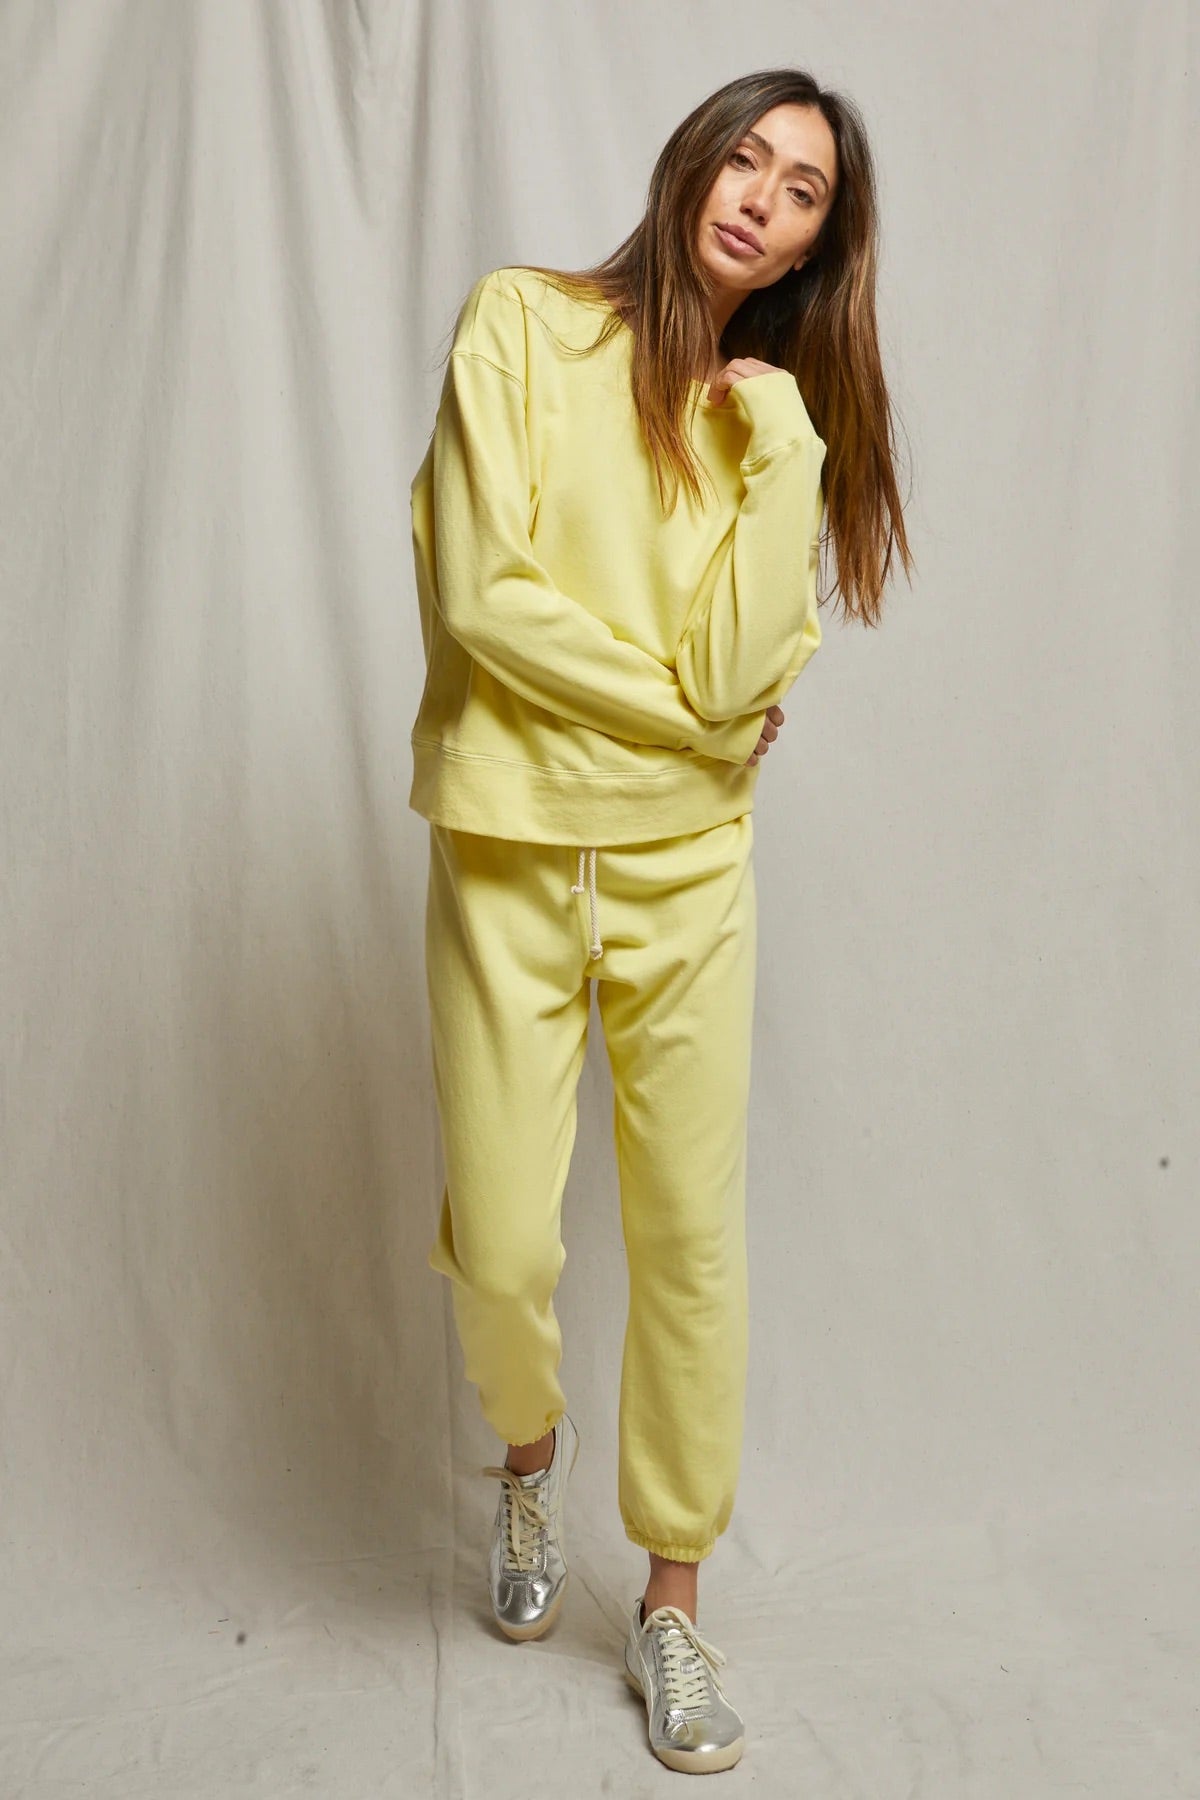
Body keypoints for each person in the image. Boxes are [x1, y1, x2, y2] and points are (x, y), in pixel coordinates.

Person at [407, 66, 912, 1774]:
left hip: (692, 869)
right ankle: (528, 1464)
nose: (761, 198)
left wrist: (786, 443)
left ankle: (675, 1606)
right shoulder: (523, 327)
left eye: (803, 191)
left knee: (691, 1238)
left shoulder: (772, 429)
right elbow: (486, 597)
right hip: (509, 839)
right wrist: (693, 722)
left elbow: (747, 664)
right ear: (692, 161)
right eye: (746, 159)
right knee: (505, 1242)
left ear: (817, 245)